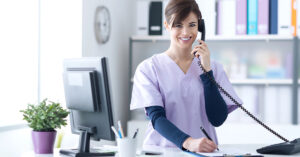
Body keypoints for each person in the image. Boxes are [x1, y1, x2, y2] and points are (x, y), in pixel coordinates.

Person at [130, 0, 243, 153]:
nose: (185, 32)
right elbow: (156, 118)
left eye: (192, 25)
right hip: (162, 151)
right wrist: (188, 142)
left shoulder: (213, 68)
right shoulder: (149, 68)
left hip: (203, 152)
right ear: (167, 25)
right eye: (178, 25)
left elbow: (217, 119)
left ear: (200, 27)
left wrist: (206, 71)